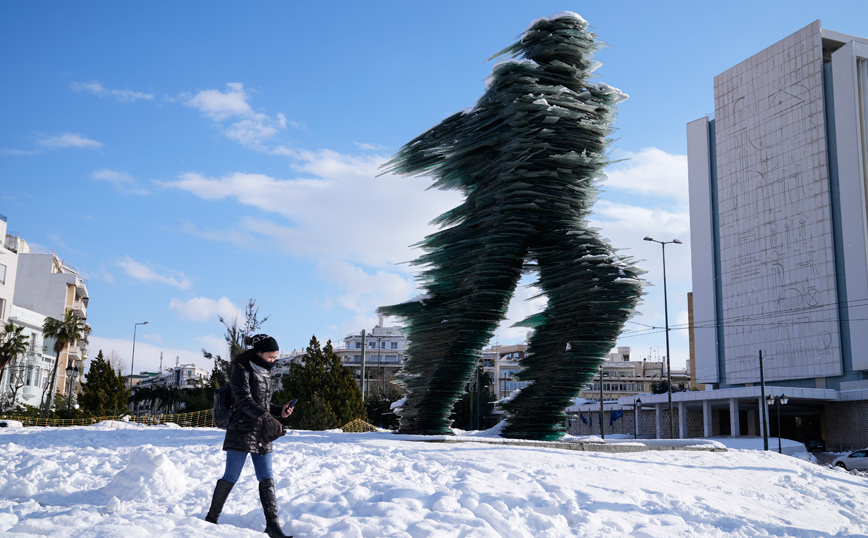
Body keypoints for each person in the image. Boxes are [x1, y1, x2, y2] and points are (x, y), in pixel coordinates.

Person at [205, 333, 296, 538]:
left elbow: (263, 403)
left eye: (275, 357)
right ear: (258, 352)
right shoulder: (241, 370)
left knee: (267, 477)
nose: (272, 360)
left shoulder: (265, 372)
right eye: (270, 356)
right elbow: (243, 400)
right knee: (231, 476)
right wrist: (266, 417)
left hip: (263, 432)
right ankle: (211, 519)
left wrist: (279, 410)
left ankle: (273, 526)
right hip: (242, 430)